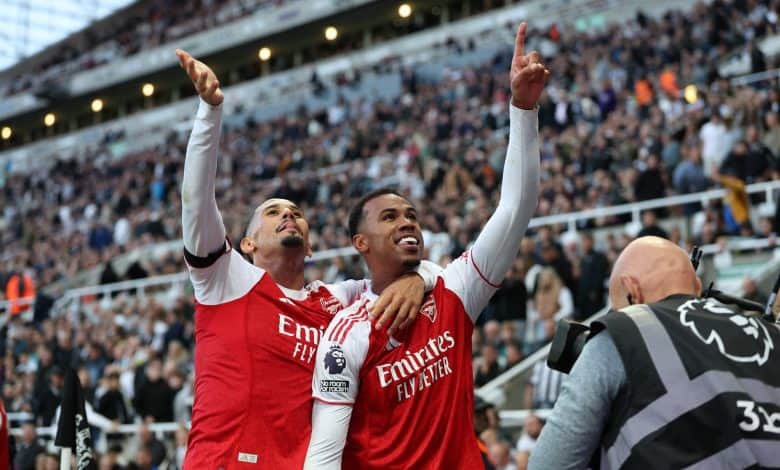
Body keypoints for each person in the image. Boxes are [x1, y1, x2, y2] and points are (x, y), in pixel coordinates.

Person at [175, 49, 441, 469]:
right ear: (246, 245)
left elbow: (424, 272)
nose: (288, 215)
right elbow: (196, 203)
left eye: (296, 212)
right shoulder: (223, 280)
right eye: (273, 212)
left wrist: (417, 278)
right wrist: (209, 113)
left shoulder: (340, 302)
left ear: (312, 246)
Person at [304, 22, 546, 469]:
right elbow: (322, 457)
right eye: (390, 217)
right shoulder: (346, 336)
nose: (407, 222)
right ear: (360, 242)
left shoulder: (453, 289)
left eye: (411, 214)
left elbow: (516, 208)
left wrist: (523, 110)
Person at [529, 236, 780, 469]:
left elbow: (549, 464)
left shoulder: (623, 331)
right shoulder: (771, 334)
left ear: (631, 291)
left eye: (616, 307)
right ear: (697, 286)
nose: (616, 315)